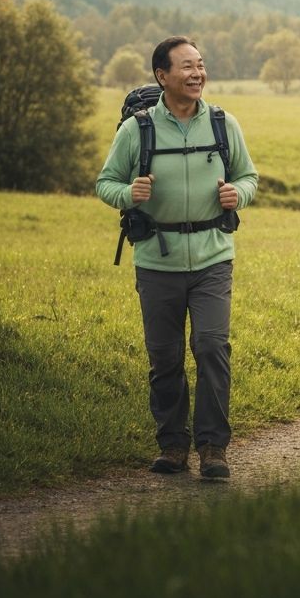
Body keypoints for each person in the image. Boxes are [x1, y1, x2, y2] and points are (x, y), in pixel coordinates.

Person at [96, 36, 258, 479]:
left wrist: (236, 194)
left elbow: (249, 176)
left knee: (211, 347)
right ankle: (172, 446)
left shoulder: (224, 124)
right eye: (186, 66)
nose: (196, 73)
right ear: (162, 76)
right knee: (164, 357)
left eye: (200, 65)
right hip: (156, 261)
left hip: (212, 258)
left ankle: (212, 448)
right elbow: (105, 182)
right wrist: (129, 193)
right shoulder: (139, 129)